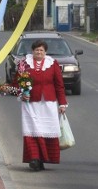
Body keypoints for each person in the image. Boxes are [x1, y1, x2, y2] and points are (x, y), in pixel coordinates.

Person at [15, 39, 68, 171]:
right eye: (37, 50)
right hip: (30, 103)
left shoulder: (52, 64)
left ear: (45, 52)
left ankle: (43, 158)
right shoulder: (24, 64)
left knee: (46, 130)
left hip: (48, 104)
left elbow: (59, 85)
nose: (39, 52)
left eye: (41, 50)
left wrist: (62, 103)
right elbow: (16, 83)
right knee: (32, 130)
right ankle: (34, 159)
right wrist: (22, 94)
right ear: (32, 51)